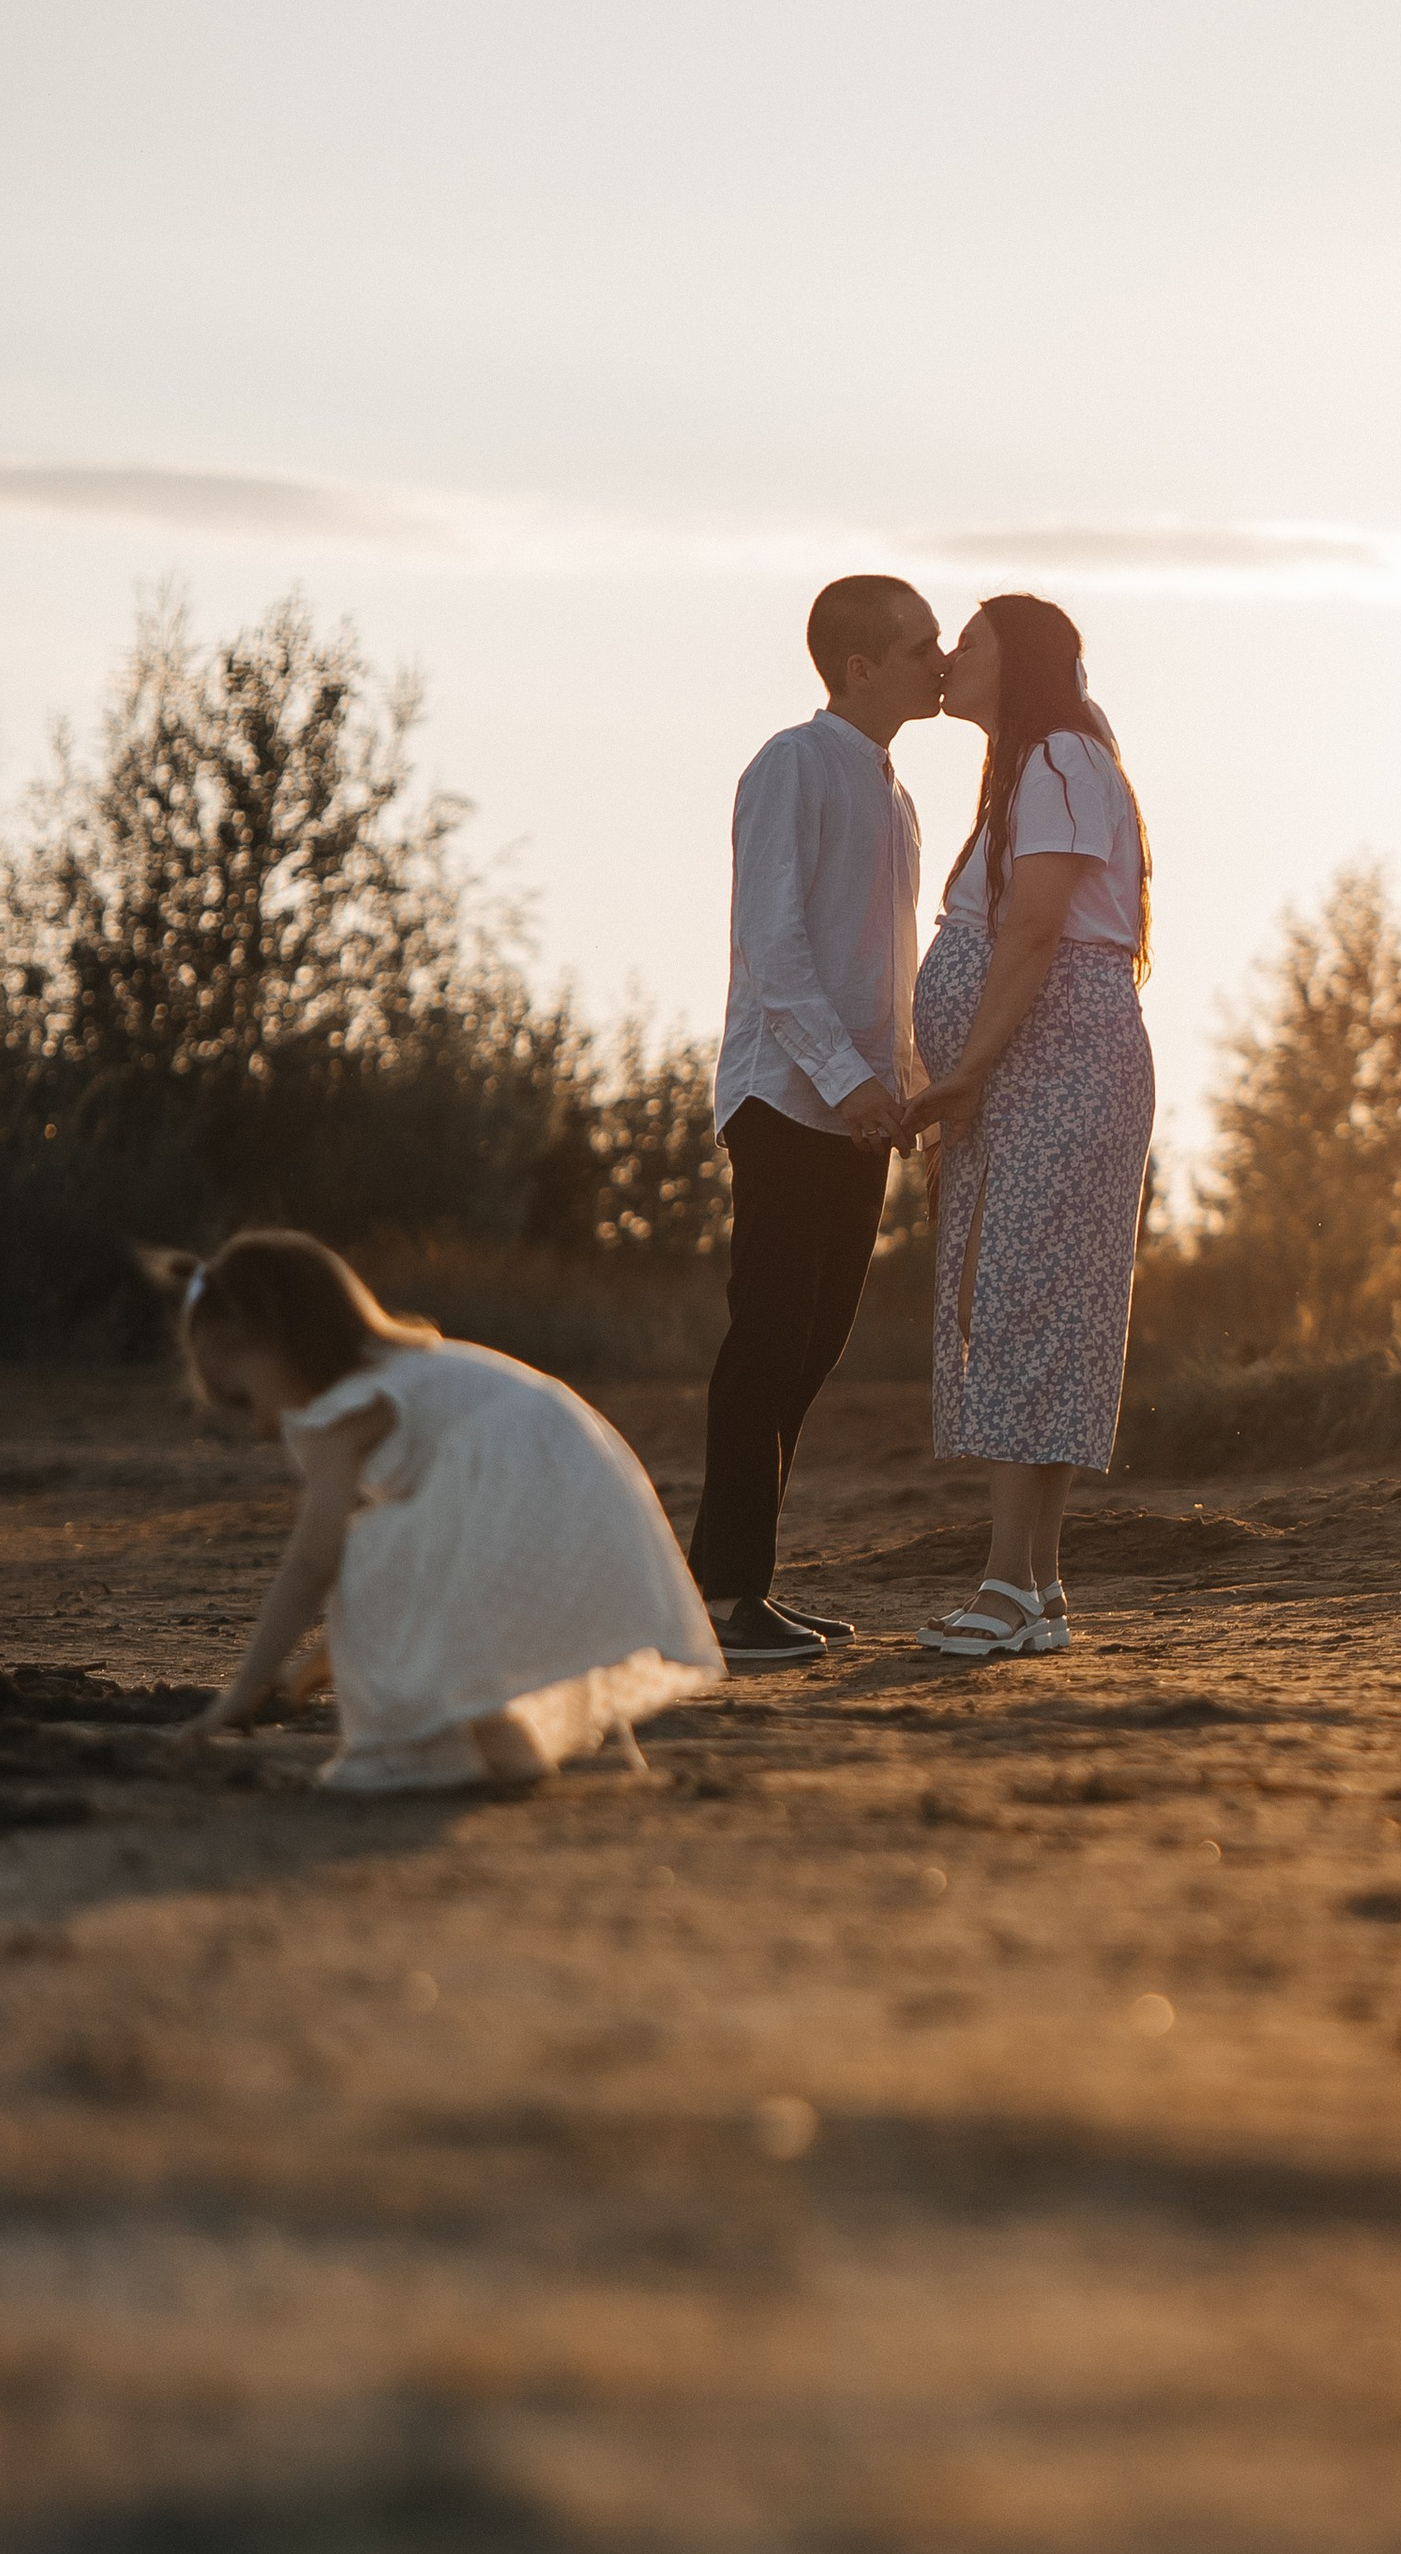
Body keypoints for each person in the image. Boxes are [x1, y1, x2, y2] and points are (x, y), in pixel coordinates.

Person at [166, 1233, 723, 1792]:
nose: (262, 1427)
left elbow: (313, 1561)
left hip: (524, 1496)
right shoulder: (411, 1369)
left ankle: (412, 1754)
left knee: (363, 1546)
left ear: (265, 1335)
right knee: (395, 1547)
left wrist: (241, 1693)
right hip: (579, 1491)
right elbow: (430, 1571)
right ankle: (507, 1748)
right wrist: (332, 1649)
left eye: (242, 1398)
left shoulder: (345, 1411)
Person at [692, 572, 945, 1668]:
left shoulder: (894, 793)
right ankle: (718, 1599)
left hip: (854, 1112)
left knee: (812, 1347)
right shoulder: (791, 764)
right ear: (859, 665)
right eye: (923, 644)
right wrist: (845, 1079)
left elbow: (882, 971)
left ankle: (743, 1588)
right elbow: (773, 945)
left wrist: (905, 1088)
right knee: (766, 1342)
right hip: (787, 1098)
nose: (939, 661)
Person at [902, 595, 1155, 1662]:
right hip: (1041, 1069)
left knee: (1022, 1307)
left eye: (971, 641)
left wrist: (964, 1072)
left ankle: (1008, 1583)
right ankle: (1035, 1585)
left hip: (1053, 1065)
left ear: (1026, 661)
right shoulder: (1041, 766)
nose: (950, 658)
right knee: (1032, 1308)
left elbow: (1036, 928)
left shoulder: (1055, 759)